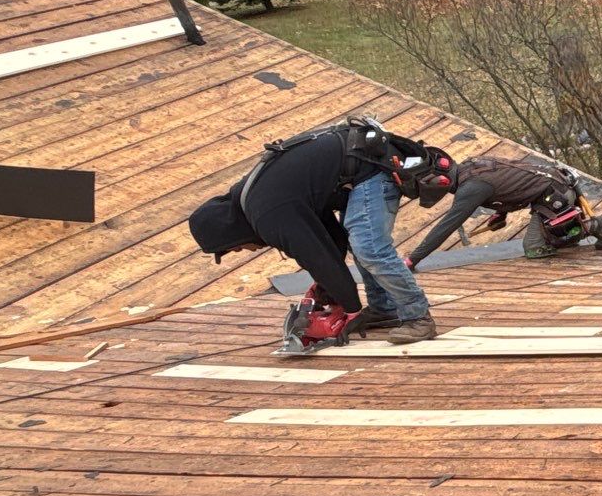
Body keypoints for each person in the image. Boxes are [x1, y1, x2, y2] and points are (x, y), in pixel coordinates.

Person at [188, 116, 452, 344]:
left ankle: (418, 317)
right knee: (358, 240)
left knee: (370, 248)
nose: (245, 249)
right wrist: (328, 289)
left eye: (235, 246)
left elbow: (318, 257)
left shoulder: (267, 214)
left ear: (229, 232)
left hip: (369, 169)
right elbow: (332, 239)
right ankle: (384, 308)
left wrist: (349, 308)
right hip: (358, 163)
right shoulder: (255, 197)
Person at [404, 156, 602, 267]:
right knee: (551, 237)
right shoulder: (470, 167)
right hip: (554, 187)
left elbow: (446, 226)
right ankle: (598, 226)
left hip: (555, 196)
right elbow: (508, 181)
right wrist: (501, 213)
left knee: (535, 248)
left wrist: (413, 259)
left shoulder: (471, 188)